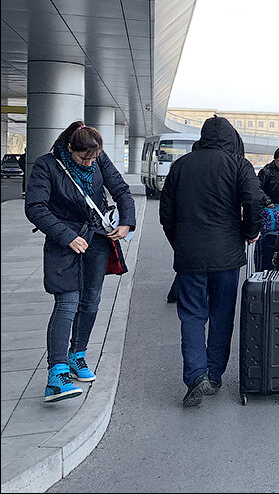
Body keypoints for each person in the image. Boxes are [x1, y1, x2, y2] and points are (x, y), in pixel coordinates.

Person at [25, 121, 136, 403]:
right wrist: (67, 236)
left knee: (91, 301)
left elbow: (121, 189)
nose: (89, 163)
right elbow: (35, 207)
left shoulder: (98, 157)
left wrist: (126, 222)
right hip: (64, 244)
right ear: (69, 148)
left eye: (94, 158)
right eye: (83, 158)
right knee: (67, 303)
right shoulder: (46, 165)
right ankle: (57, 375)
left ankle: (78, 356)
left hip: (97, 239)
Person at [159, 116, 264, 407]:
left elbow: (166, 214)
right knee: (221, 317)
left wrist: (179, 244)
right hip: (227, 257)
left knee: (192, 316)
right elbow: (254, 200)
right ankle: (214, 376)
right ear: (231, 138)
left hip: (190, 257)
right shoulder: (238, 165)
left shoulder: (181, 166)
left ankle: (196, 375)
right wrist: (250, 232)